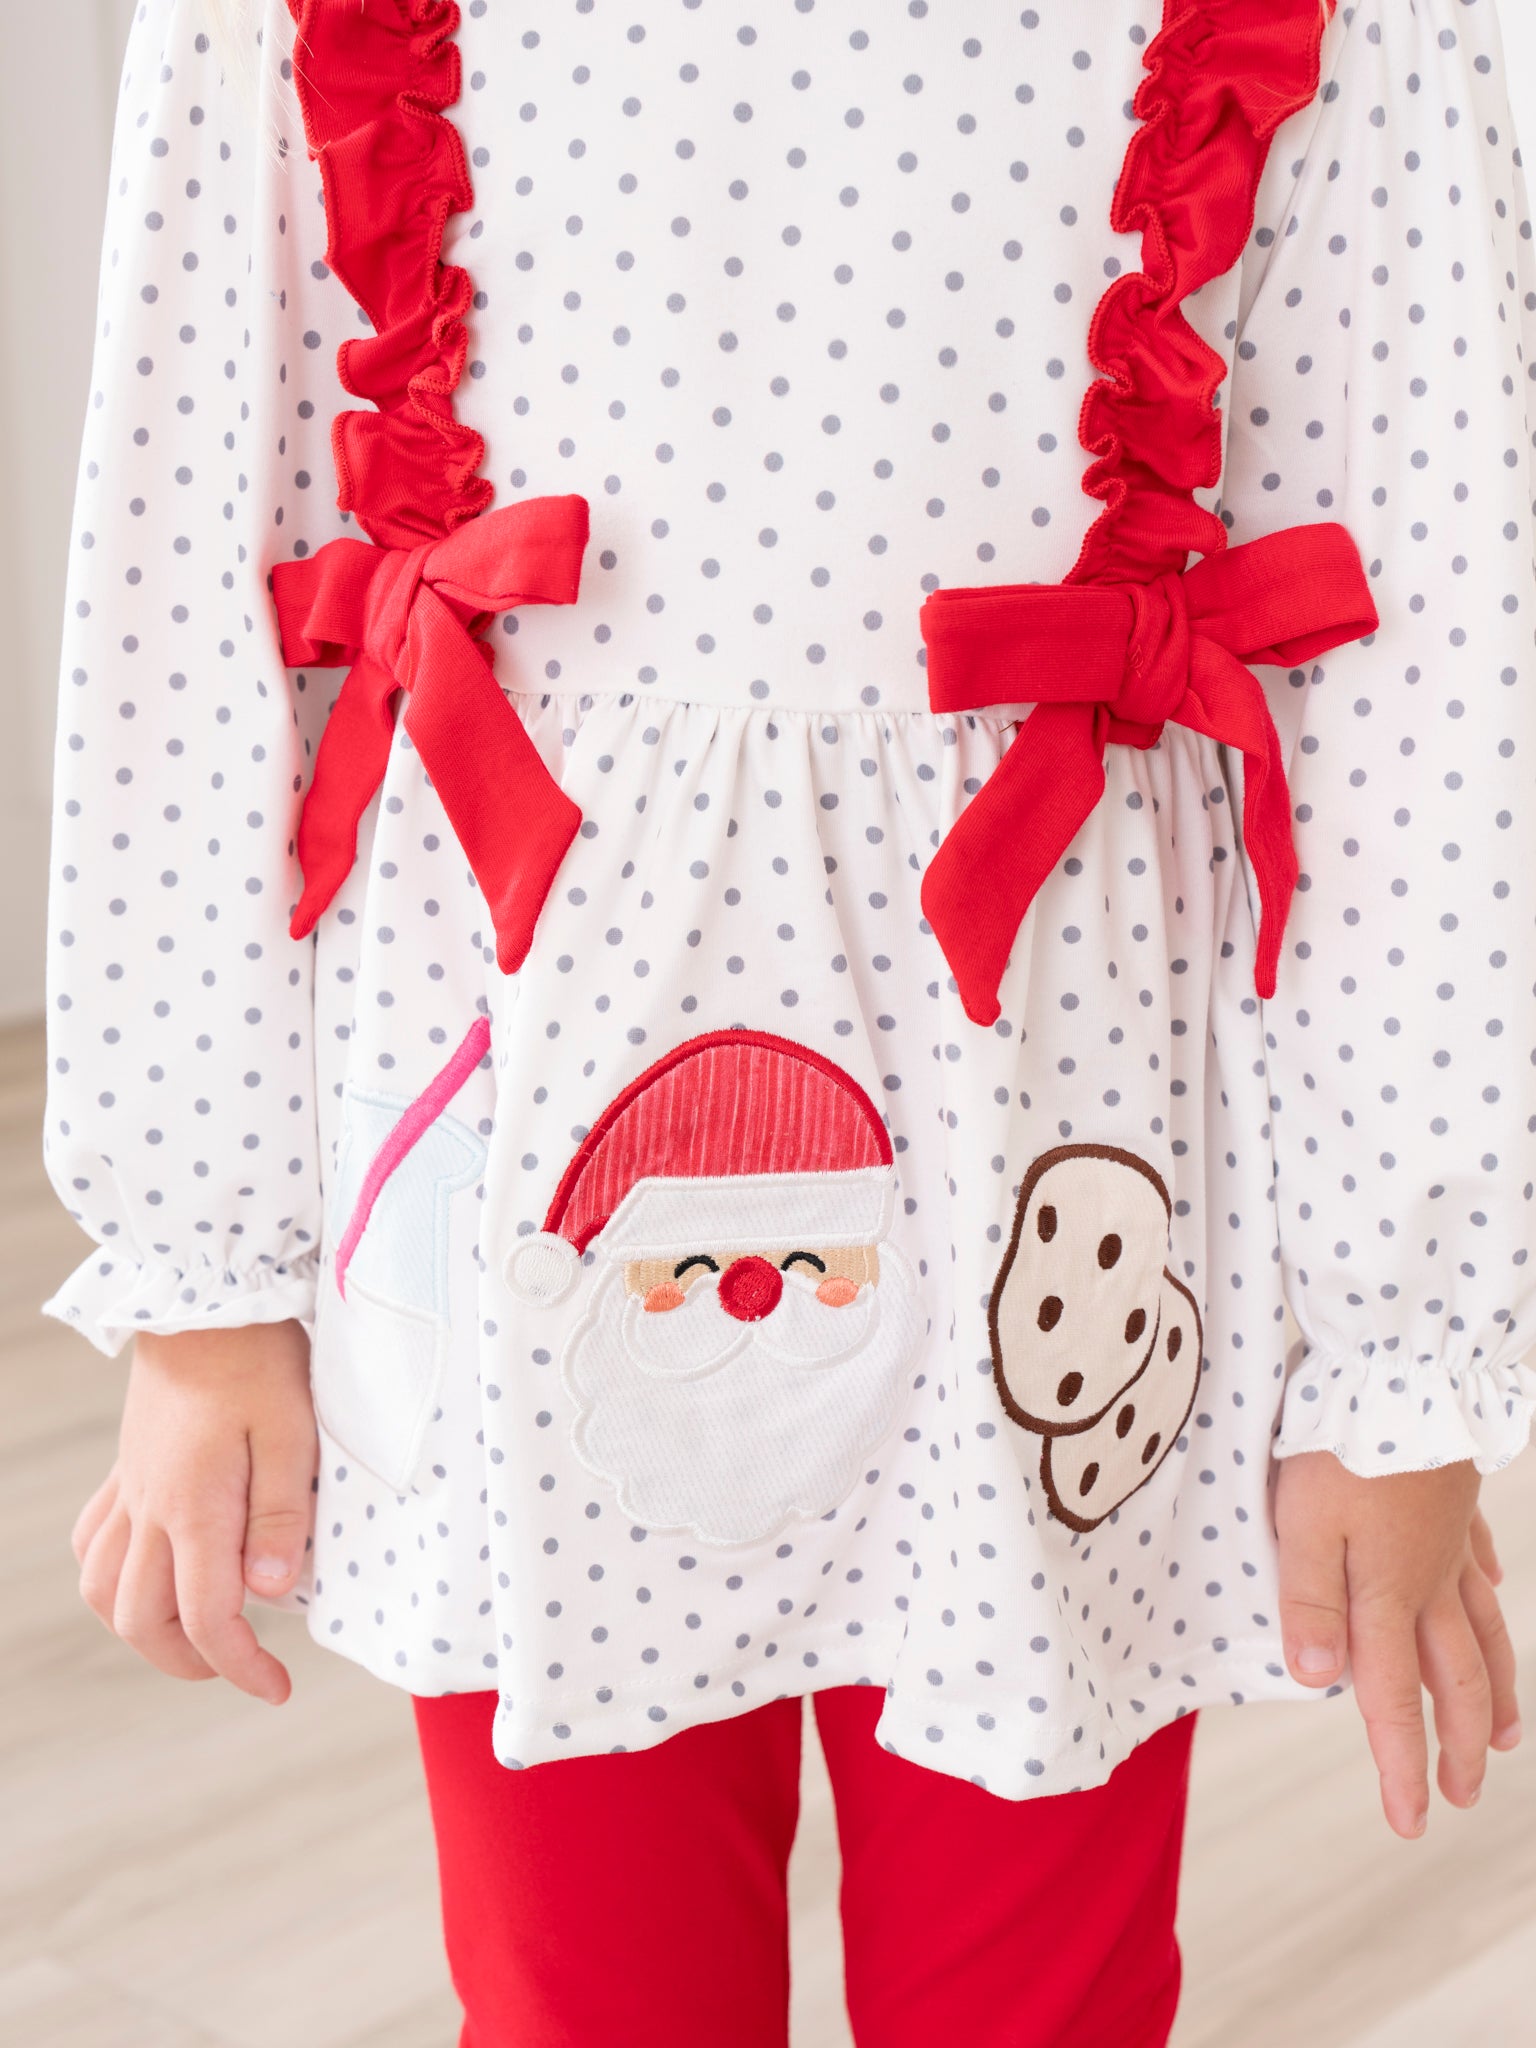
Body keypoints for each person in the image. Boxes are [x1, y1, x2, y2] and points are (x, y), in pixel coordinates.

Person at [47, 0, 1532, 2041]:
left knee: (1040, 1996)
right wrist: (203, 1275)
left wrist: (1397, 1352)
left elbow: (1433, 660)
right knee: (589, 1993)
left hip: (1055, 1128)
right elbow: (179, 604)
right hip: (522, 1113)